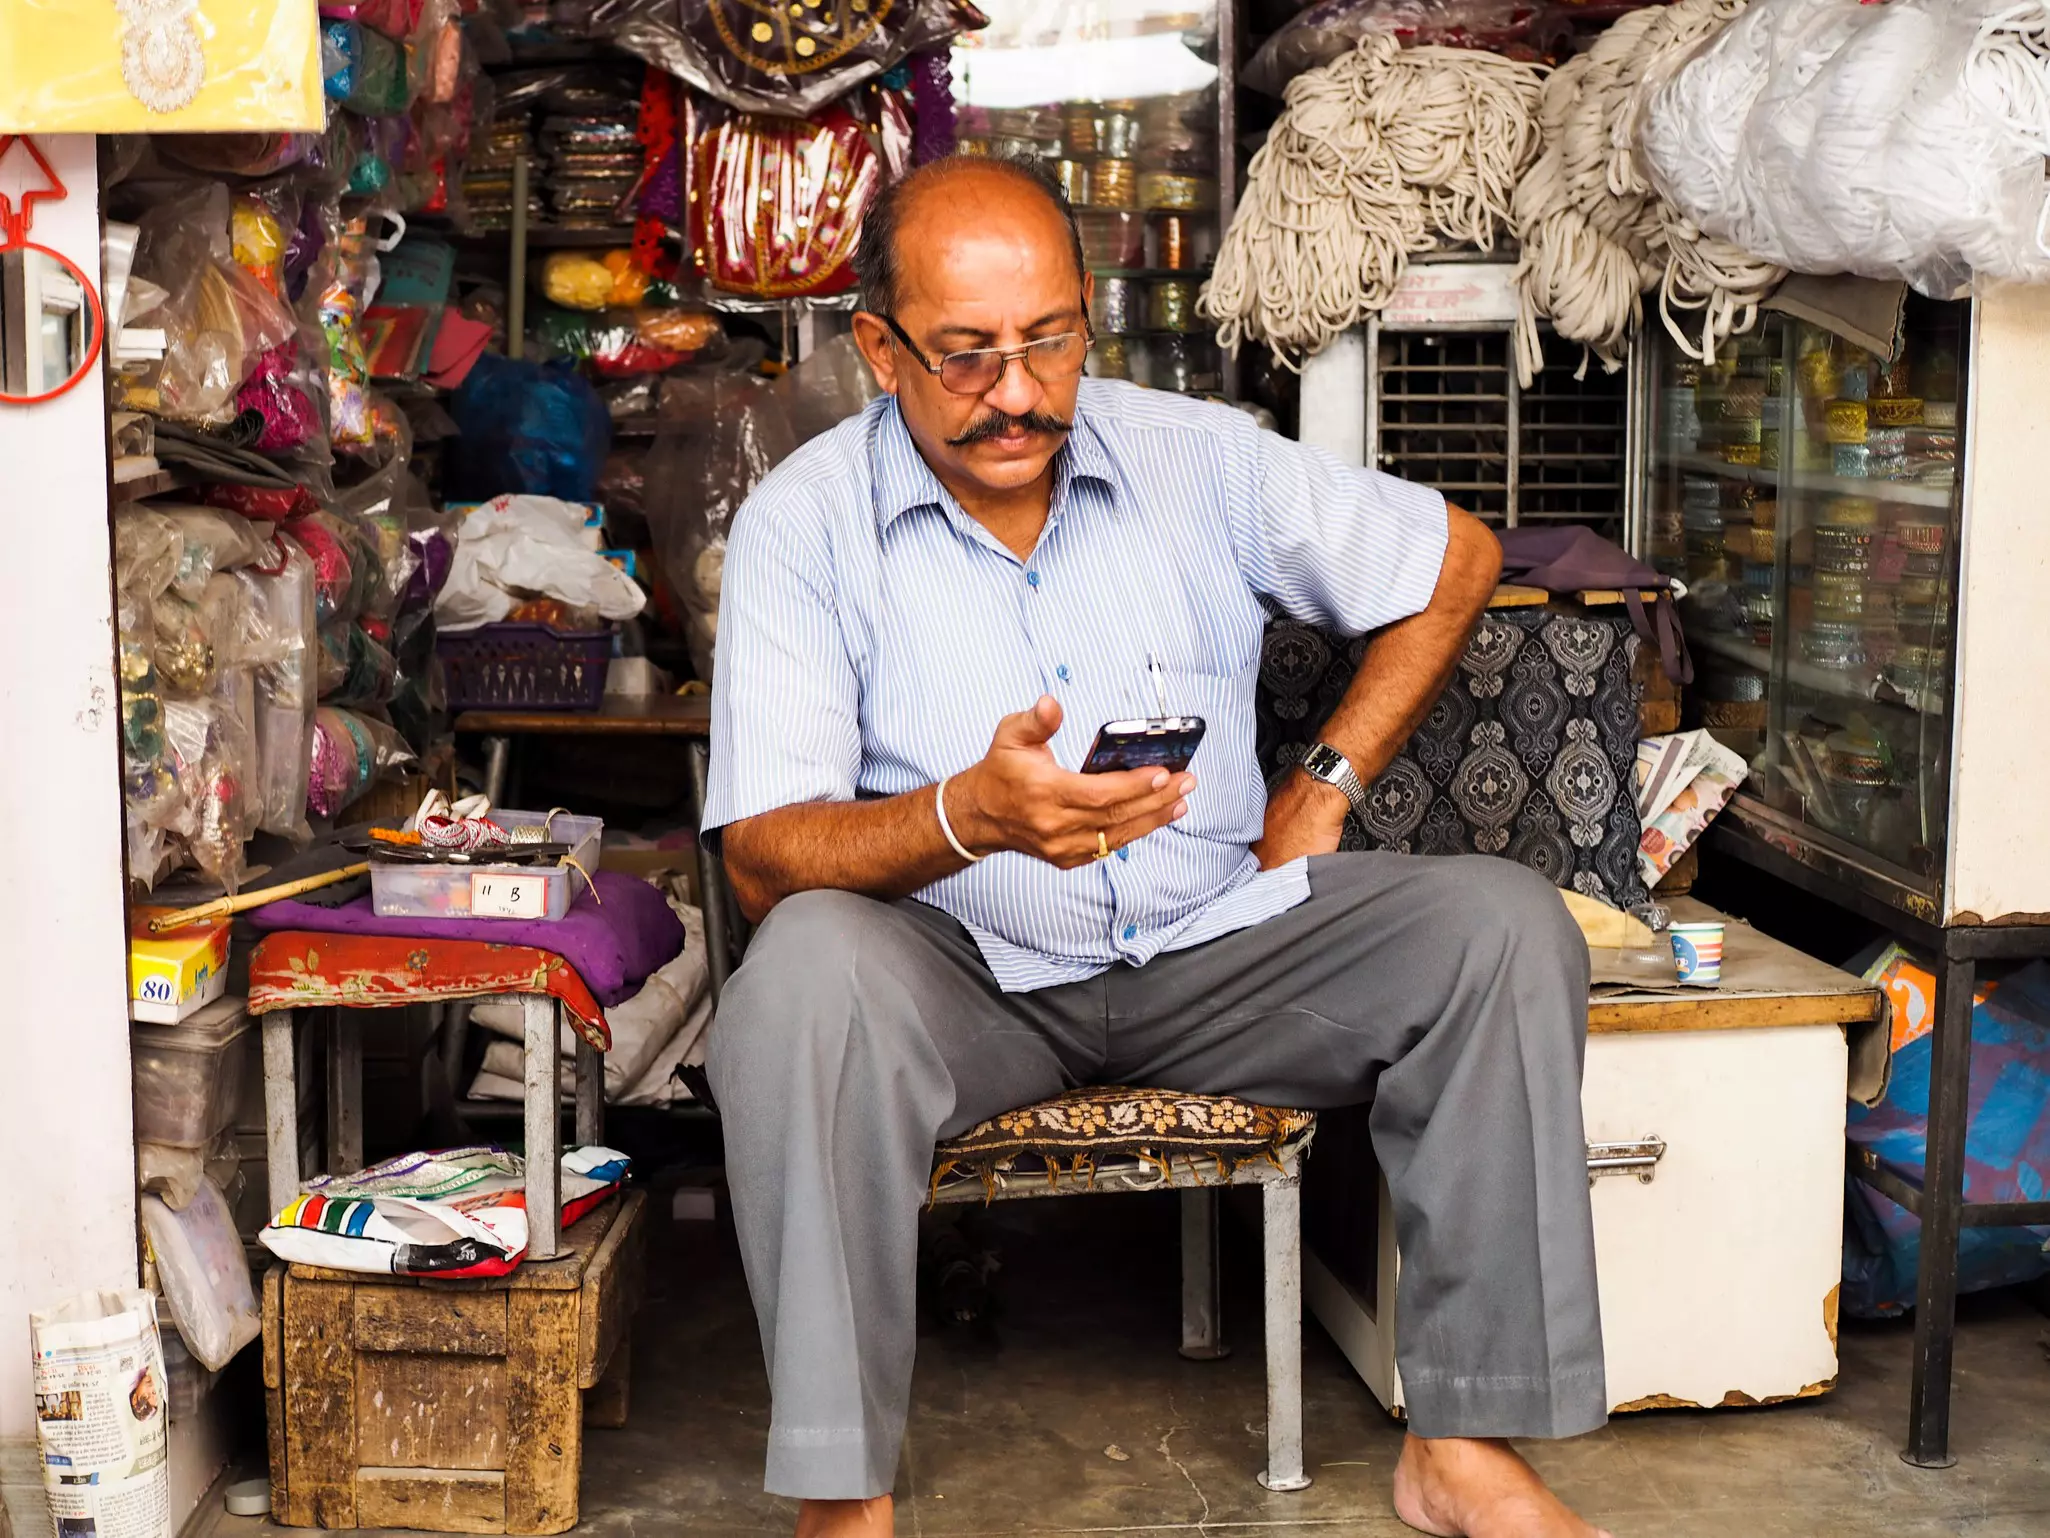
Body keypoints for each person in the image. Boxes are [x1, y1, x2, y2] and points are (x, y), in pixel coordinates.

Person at [703, 155, 1611, 1538]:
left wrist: (1318, 781)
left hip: (1215, 948)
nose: (1016, 393)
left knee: (1500, 927)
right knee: (800, 971)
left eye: (1048, 341)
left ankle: (1462, 1443)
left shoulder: (1199, 455)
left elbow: (1453, 558)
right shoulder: (801, 526)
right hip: (963, 980)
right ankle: (845, 1495)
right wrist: (968, 816)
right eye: (963, 357)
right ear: (879, 347)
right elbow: (763, 856)